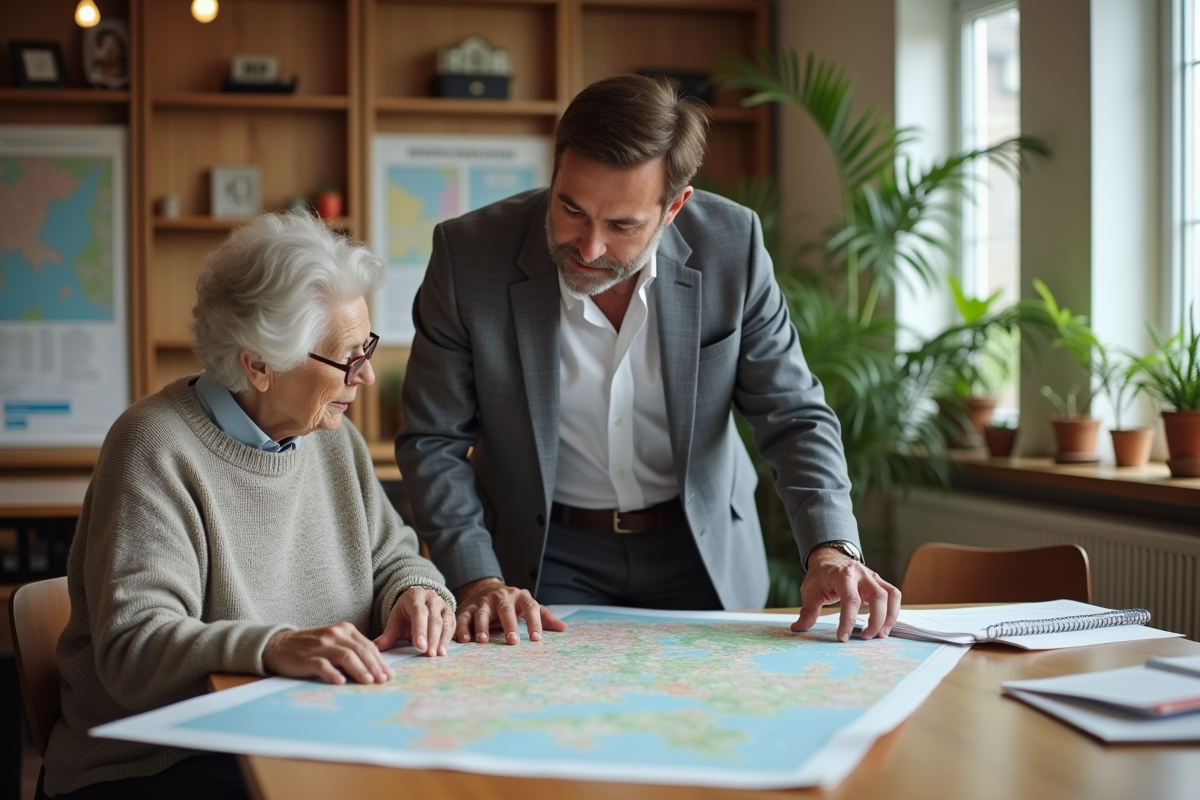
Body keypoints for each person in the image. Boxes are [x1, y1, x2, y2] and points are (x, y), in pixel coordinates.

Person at [396, 74, 900, 651]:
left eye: (622, 226)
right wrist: (478, 579)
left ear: (673, 208)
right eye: (571, 208)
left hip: (700, 546)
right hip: (543, 553)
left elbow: (792, 413)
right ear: (555, 170)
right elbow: (433, 440)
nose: (588, 247)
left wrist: (832, 547)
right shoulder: (468, 256)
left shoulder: (733, 246)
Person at [41, 213, 456, 799]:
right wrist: (275, 646)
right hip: (161, 760)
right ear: (258, 363)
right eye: (345, 357)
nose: (364, 375)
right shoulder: (153, 446)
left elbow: (394, 556)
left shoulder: (332, 436)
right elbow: (135, 646)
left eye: (366, 346)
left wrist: (417, 591)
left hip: (303, 731)